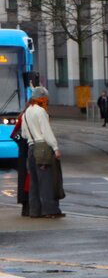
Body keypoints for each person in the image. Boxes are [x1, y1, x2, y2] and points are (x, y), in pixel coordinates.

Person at [22, 86, 64, 219]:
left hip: (31, 148)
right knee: (46, 181)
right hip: (43, 148)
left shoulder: (26, 112)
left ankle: (35, 211)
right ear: (42, 98)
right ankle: (50, 210)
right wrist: (55, 148)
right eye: (45, 99)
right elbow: (46, 132)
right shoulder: (40, 111)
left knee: (34, 182)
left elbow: (23, 134)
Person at [10, 110, 29, 216]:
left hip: (23, 150)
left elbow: (13, 134)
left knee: (24, 177)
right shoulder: (27, 116)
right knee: (26, 177)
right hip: (26, 150)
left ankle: (25, 205)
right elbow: (14, 134)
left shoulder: (24, 116)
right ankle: (26, 205)